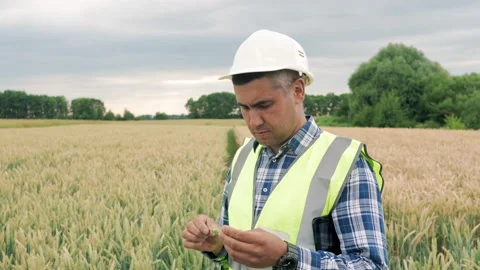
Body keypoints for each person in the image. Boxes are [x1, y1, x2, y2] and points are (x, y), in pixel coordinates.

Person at [181, 29, 389, 270]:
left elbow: (371, 265)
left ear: (298, 90)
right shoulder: (243, 157)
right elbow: (239, 259)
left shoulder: (345, 163)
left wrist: (286, 257)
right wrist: (218, 247)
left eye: (264, 105)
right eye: (244, 108)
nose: (254, 121)